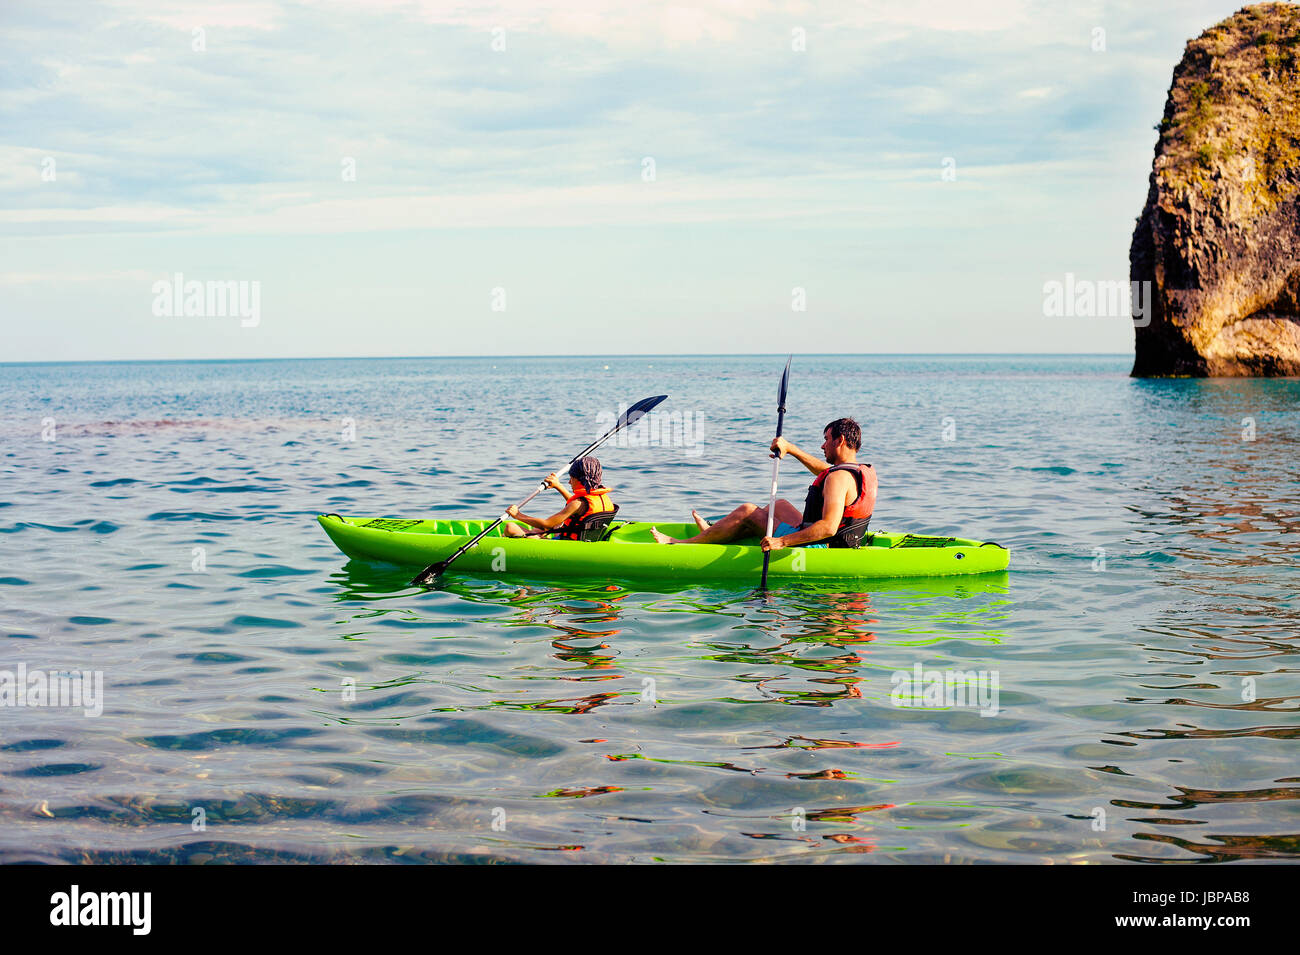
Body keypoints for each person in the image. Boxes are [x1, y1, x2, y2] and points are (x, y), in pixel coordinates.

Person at [650, 417, 875, 551]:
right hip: (839, 541)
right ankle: (714, 534)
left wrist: (782, 542)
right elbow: (825, 471)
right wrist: (791, 449)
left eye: (826, 439)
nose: (822, 446)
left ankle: (682, 544)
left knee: (748, 511)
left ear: (840, 440)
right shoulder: (854, 471)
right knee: (780, 505)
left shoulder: (838, 478)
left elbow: (828, 527)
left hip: (823, 548)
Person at [503, 456, 618, 540]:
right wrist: (558, 486)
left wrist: (518, 515)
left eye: (571, 478)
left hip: (567, 544)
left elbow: (546, 524)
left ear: (579, 480)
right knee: (549, 527)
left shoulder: (578, 504)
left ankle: (536, 539)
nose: (569, 482)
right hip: (585, 539)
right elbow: (578, 507)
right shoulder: (603, 498)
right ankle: (535, 534)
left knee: (510, 527)